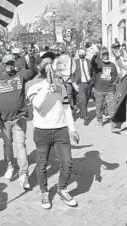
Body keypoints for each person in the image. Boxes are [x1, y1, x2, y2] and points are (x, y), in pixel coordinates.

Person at [26, 56, 79, 209]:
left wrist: (72, 129)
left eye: (51, 63)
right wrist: (48, 85)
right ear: (39, 68)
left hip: (61, 130)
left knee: (67, 163)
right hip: (42, 131)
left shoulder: (61, 86)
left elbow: (66, 108)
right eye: (45, 64)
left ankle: (62, 189)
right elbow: (37, 105)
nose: (49, 66)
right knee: (42, 164)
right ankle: (44, 192)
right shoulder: (32, 86)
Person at [0, 54, 37, 189]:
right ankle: (10, 165)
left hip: (18, 117)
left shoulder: (20, 74)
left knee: (20, 145)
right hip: (4, 119)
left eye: (11, 63)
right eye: (7, 63)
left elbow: (32, 72)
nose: (9, 66)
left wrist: (31, 59)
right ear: (2, 64)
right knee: (8, 144)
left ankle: (24, 174)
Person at [91, 49, 119, 132]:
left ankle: (113, 126)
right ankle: (99, 121)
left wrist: (115, 82)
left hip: (110, 90)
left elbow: (116, 75)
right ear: (101, 56)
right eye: (103, 55)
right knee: (99, 107)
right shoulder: (98, 64)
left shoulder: (112, 65)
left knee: (112, 108)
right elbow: (92, 63)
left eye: (106, 54)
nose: (105, 56)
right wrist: (94, 56)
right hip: (98, 90)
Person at [73, 49, 92, 125]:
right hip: (80, 84)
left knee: (86, 100)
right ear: (78, 54)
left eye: (83, 53)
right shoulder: (75, 62)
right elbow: (72, 73)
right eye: (80, 53)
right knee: (83, 100)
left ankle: (82, 110)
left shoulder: (89, 62)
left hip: (88, 83)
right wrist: (74, 84)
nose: (81, 54)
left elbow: (92, 72)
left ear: (85, 54)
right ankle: (86, 118)